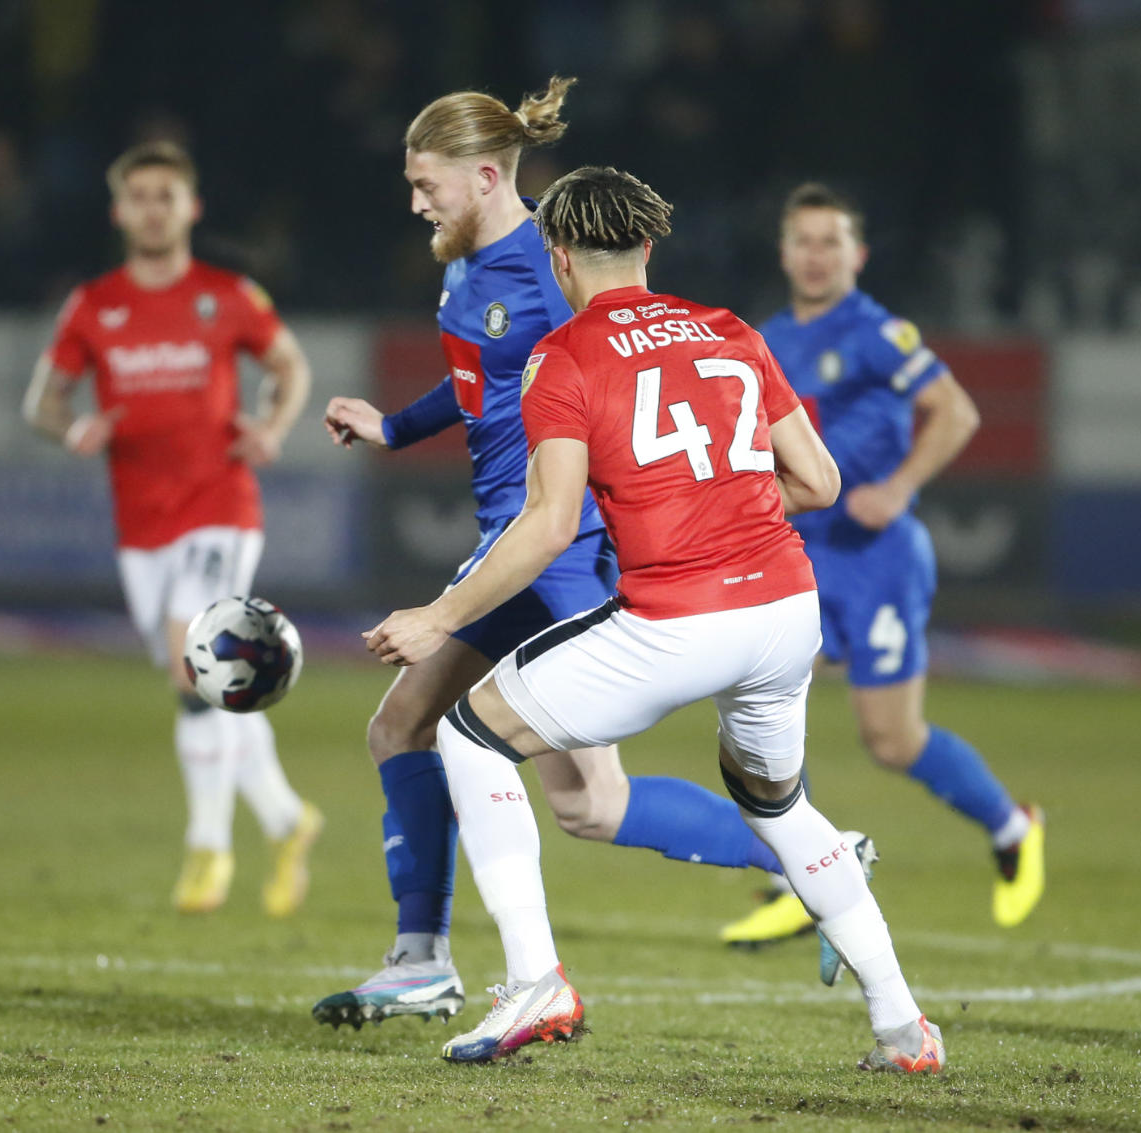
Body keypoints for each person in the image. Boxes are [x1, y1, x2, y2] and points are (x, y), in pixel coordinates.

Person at [366, 165, 942, 1072]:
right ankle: (905, 1028)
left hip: (679, 618)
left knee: (471, 734)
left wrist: (441, 616)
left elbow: (548, 523)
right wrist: (730, 510)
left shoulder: (564, 356)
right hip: (788, 612)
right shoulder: (731, 330)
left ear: (557, 256)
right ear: (647, 246)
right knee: (780, 806)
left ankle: (533, 981)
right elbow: (822, 482)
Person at [314, 79, 805, 1030]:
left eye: (427, 185)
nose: (416, 203)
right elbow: (481, 385)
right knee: (574, 797)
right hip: (523, 539)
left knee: (432, 734)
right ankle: (811, 852)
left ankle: (461, 963)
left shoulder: (551, 276)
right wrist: (393, 426)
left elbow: (623, 390)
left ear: (487, 177)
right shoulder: (466, 261)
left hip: (553, 545)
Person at [721, 183, 1045, 949]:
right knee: (747, 701)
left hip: (878, 560)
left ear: (856, 254)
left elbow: (957, 411)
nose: (816, 254)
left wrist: (898, 487)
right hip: (799, 551)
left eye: (831, 241)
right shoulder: (761, 337)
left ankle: (1012, 827)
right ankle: (795, 878)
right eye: (803, 240)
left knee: (891, 740)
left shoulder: (877, 332)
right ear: (784, 251)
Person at [22, 140, 322, 918]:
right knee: (203, 681)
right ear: (119, 210)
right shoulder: (93, 305)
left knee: (194, 669)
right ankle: (289, 820)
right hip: (141, 523)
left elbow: (290, 366)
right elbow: (42, 404)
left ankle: (207, 847)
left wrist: (271, 423)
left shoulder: (227, 295)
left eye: (168, 195)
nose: (154, 208)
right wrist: (73, 428)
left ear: (191, 208)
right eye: (140, 196)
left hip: (220, 504)